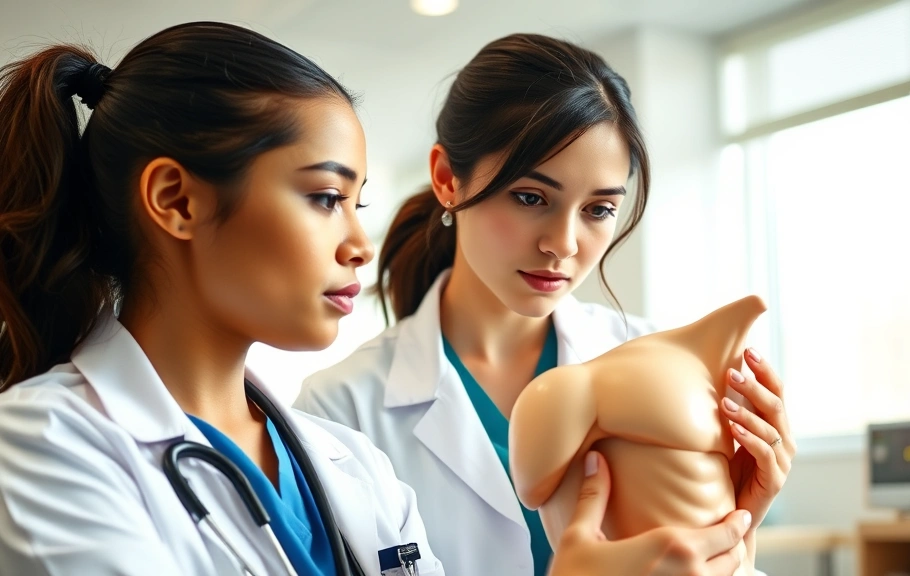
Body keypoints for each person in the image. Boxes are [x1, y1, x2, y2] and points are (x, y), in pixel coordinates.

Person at [0, 21, 753, 576]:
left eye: (357, 203)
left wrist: (741, 505)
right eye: (326, 198)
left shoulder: (349, 465)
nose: (360, 244)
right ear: (176, 199)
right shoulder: (39, 445)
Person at [294, 33, 795, 576]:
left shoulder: (663, 370)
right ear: (447, 180)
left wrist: (737, 529)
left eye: (599, 209)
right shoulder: (338, 412)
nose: (564, 243)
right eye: (531, 197)